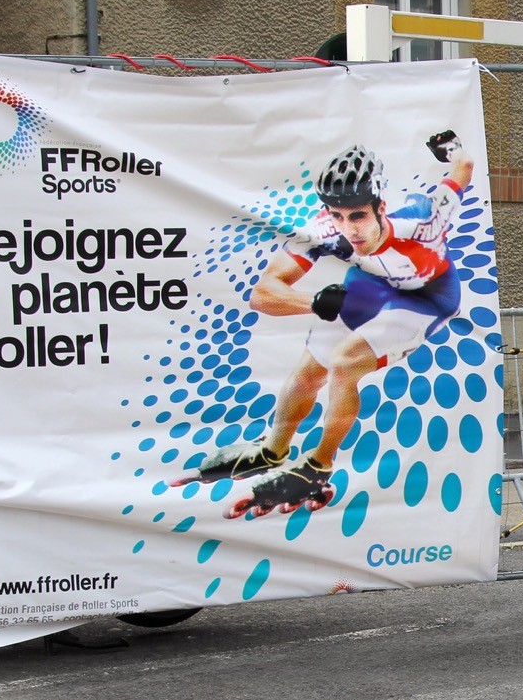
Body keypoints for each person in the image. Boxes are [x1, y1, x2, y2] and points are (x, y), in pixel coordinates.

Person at [191, 133, 473, 514]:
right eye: (338, 216)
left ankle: (317, 466)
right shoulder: (324, 229)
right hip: (371, 284)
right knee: (308, 372)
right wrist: (313, 302)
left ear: (380, 207)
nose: (349, 228)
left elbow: (463, 168)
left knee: (343, 362)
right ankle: (273, 450)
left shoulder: (422, 218)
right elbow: (264, 293)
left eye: (357, 215)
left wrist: (451, 147)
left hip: (425, 297)